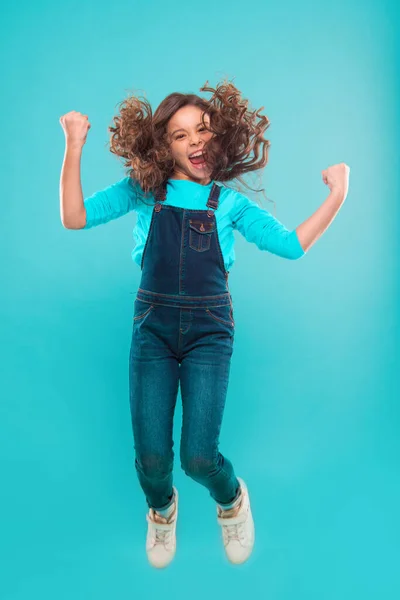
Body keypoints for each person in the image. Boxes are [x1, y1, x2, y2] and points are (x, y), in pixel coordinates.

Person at [59, 79, 350, 569]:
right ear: (163, 146)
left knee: (198, 459)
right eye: (180, 135)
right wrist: (74, 146)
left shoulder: (229, 204)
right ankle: (161, 511)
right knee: (152, 463)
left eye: (203, 130)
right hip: (152, 331)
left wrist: (338, 194)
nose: (195, 141)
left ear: (219, 137)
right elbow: (73, 216)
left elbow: (293, 245)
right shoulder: (144, 191)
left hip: (209, 334)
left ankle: (232, 501)